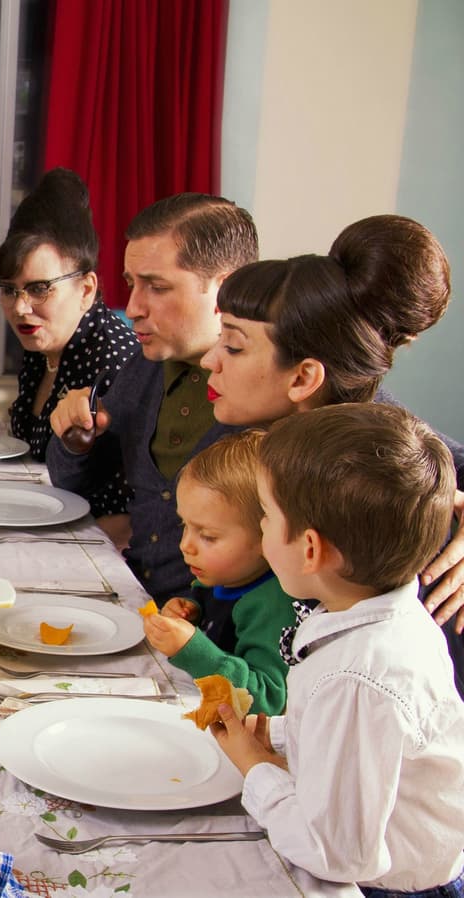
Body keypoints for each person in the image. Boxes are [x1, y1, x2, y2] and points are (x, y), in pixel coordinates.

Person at [200, 214, 464, 690]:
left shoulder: (385, 495)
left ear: (303, 377)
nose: (208, 360)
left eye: (234, 347)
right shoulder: (242, 442)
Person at [214, 403, 464, 897]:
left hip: (387, 889)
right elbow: (353, 742)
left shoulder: (357, 676)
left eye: (265, 516)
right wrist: (276, 739)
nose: (261, 529)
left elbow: (336, 852)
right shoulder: (381, 616)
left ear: (310, 549)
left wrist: (256, 768)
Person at [48, 193, 258, 599]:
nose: (134, 307)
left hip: (221, 639)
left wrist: (422, 535)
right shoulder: (146, 366)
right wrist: (75, 440)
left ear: (225, 289)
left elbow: (380, 422)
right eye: (131, 284)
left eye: (157, 287)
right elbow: (74, 485)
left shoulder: (272, 380)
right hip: (138, 601)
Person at [0, 168, 139, 521]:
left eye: (39, 288)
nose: (20, 307)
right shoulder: (44, 344)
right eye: (9, 289)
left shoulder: (114, 360)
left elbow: (123, 502)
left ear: (87, 290)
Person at [142, 430, 292, 714]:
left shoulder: (273, 606)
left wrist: (193, 650)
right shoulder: (226, 575)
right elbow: (216, 607)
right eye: (184, 526)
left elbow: (268, 701)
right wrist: (191, 610)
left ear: (267, 536)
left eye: (208, 536)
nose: (185, 545)